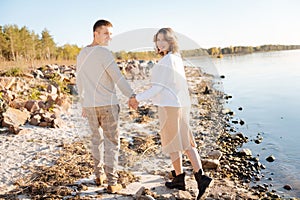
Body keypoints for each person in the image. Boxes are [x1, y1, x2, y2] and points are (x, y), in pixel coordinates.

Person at [135, 28, 212, 199]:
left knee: (180, 143)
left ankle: (200, 177)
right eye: (158, 40)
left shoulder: (168, 60)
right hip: (180, 104)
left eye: (164, 40)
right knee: (181, 142)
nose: (160, 43)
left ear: (171, 42)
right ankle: (180, 178)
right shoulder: (175, 58)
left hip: (171, 107)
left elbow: (158, 87)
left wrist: (137, 99)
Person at [76, 19, 138, 193]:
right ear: (95, 33)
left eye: (111, 34)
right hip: (108, 105)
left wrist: (83, 103)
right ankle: (112, 182)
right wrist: (132, 96)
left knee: (97, 141)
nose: (109, 37)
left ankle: (99, 175)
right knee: (112, 143)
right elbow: (118, 77)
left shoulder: (81, 54)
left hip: (90, 106)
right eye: (105, 33)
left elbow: (79, 81)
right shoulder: (103, 53)